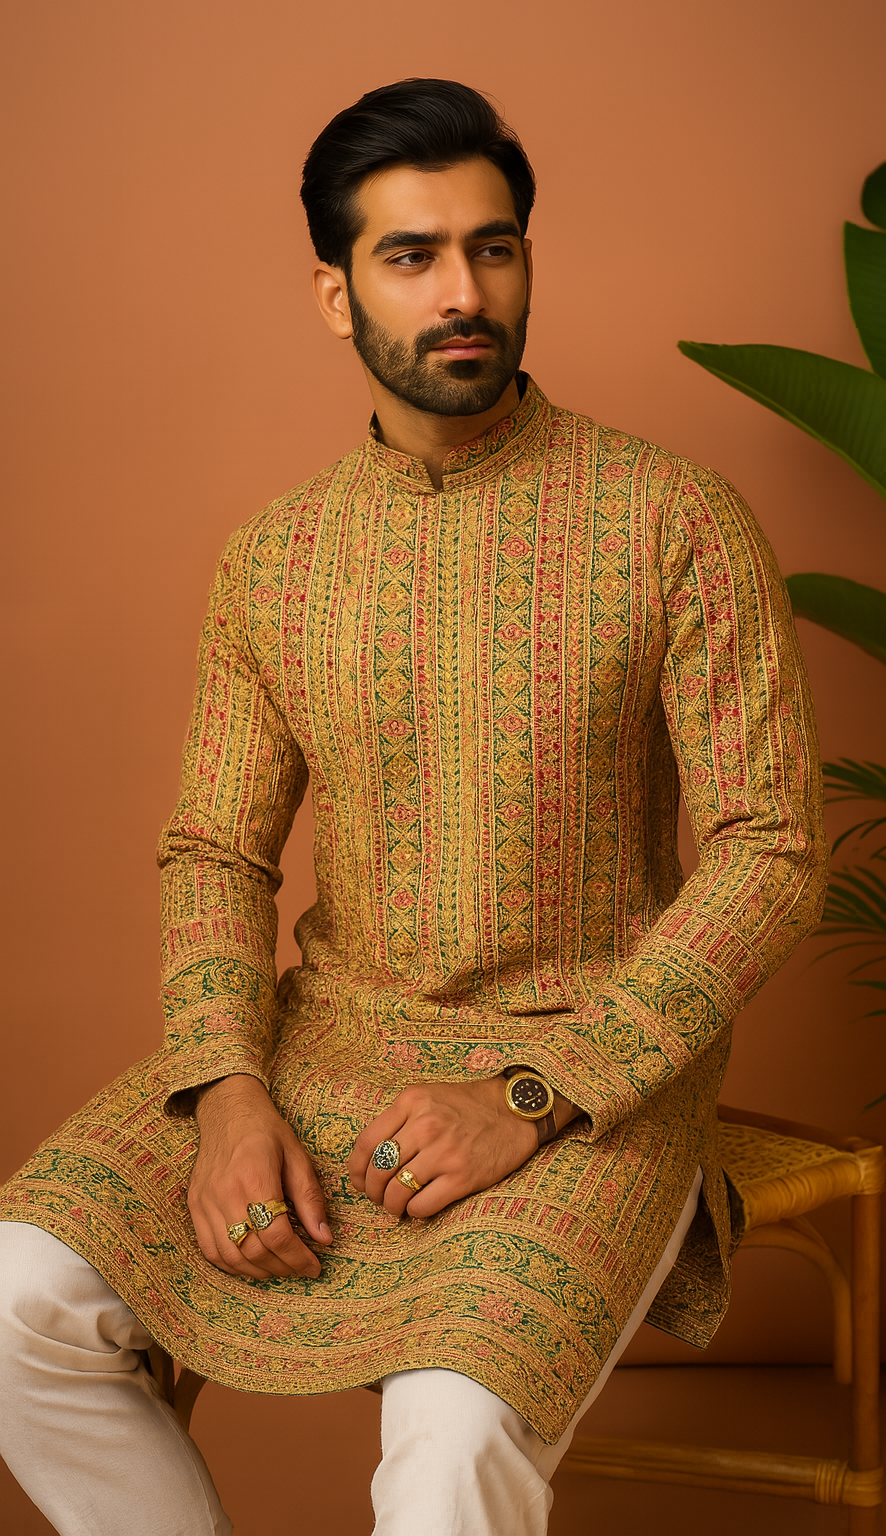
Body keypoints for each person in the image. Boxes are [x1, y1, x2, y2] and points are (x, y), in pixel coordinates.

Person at [0, 78, 827, 1536]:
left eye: (494, 248)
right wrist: (225, 1087)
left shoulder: (672, 519)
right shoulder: (278, 558)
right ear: (334, 294)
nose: (466, 292)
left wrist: (538, 1091)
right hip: (330, 1045)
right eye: (413, 254)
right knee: (12, 1304)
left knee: (447, 1440)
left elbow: (771, 850)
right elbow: (213, 848)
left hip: (590, 1081)